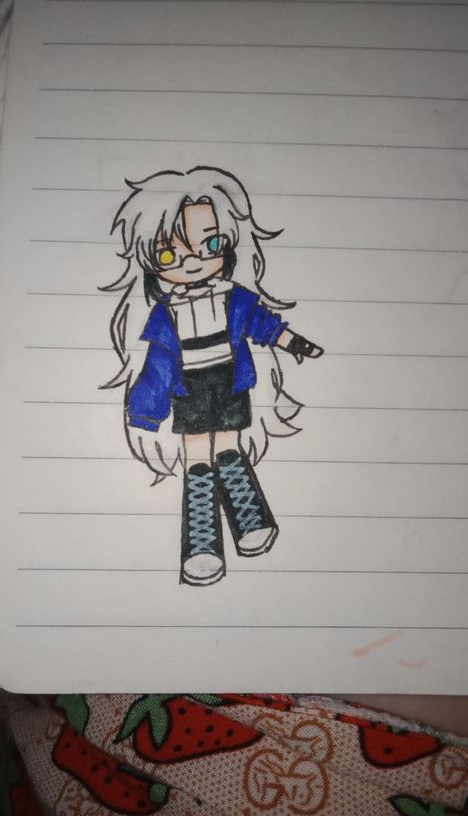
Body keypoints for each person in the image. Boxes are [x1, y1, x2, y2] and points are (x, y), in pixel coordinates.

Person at [103, 166, 322, 586]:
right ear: (151, 260)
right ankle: (202, 545)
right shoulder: (165, 314)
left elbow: (263, 324)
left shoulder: (234, 297)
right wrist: (145, 411)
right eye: (171, 254)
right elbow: (159, 366)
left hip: (229, 380)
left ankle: (251, 521)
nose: (194, 261)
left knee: (229, 452)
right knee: (197, 461)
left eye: (210, 244)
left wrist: (293, 342)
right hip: (190, 389)